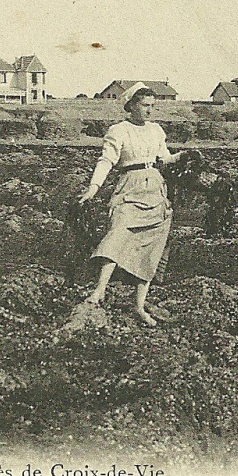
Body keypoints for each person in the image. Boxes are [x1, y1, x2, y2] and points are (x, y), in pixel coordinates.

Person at [78, 85, 183, 326]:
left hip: (155, 188)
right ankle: (99, 290)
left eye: (152, 106)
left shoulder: (156, 130)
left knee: (151, 246)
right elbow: (106, 161)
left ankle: (138, 306)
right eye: (145, 106)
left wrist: (183, 157)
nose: (150, 111)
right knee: (118, 232)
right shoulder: (119, 130)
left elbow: (164, 159)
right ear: (131, 106)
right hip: (130, 186)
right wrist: (93, 188)